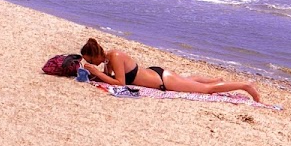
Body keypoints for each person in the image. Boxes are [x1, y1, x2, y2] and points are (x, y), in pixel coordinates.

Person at [79, 37, 261, 102]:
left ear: (95, 56)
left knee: (208, 91)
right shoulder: (108, 59)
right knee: (190, 80)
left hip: (163, 81)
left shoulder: (115, 56)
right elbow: (111, 78)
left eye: (90, 61)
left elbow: (121, 83)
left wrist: (97, 73)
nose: (92, 64)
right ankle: (216, 79)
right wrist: (97, 75)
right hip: (158, 74)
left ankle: (245, 85)